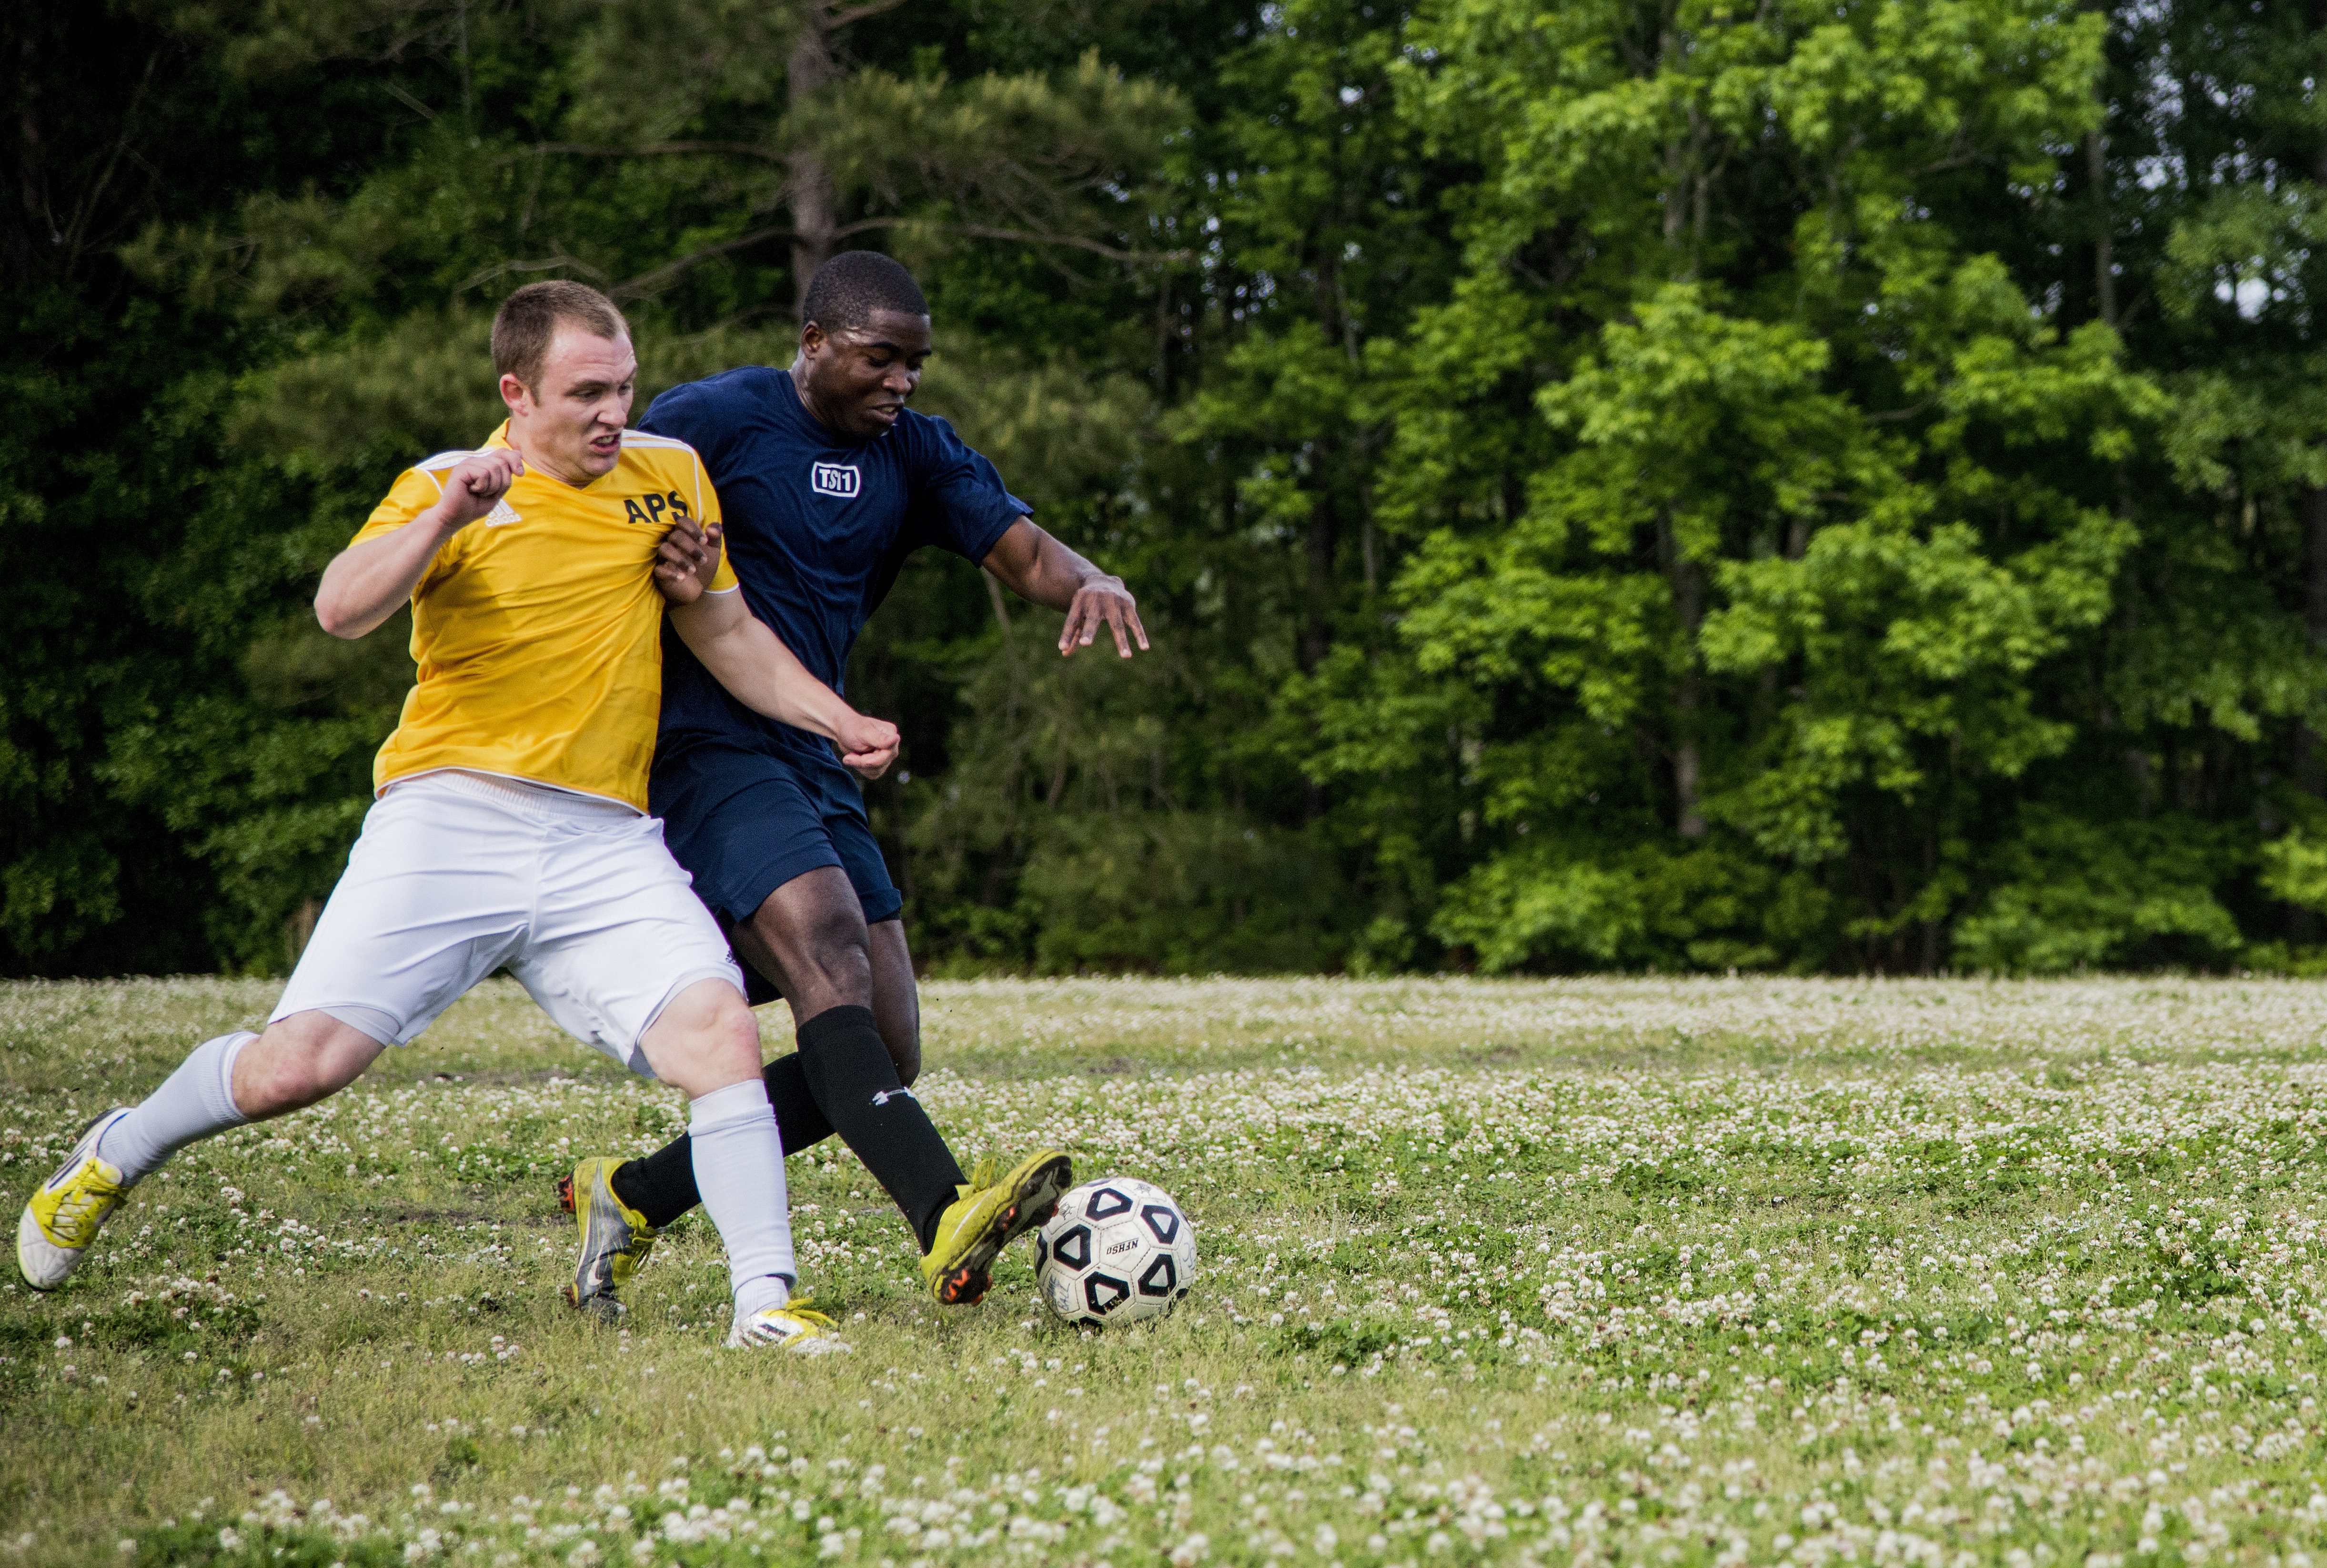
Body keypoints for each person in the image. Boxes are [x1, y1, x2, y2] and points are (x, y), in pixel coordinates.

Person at [15, 281, 899, 1354]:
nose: (615, 412)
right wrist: (448, 516)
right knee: (297, 1066)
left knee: (718, 1032)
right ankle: (119, 1147)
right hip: (449, 817)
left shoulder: (670, 476)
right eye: (587, 393)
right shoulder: (448, 483)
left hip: (606, 838)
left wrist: (837, 716)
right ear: (515, 393)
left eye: (623, 386)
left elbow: (725, 630)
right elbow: (341, 607)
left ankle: (764, 1302)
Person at [557, 251, 1148, 1314]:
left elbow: (1021, 554)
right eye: (881, 358)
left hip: (820, 747)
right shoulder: (717, 419)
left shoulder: (916, 453)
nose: (902, 381)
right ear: (816, 343)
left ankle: (634, 1192)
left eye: (916, 363)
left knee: (887, 1043)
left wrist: (1089, 574)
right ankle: (946, 1214)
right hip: (701, 743)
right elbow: (588, 491)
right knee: (825, 939)